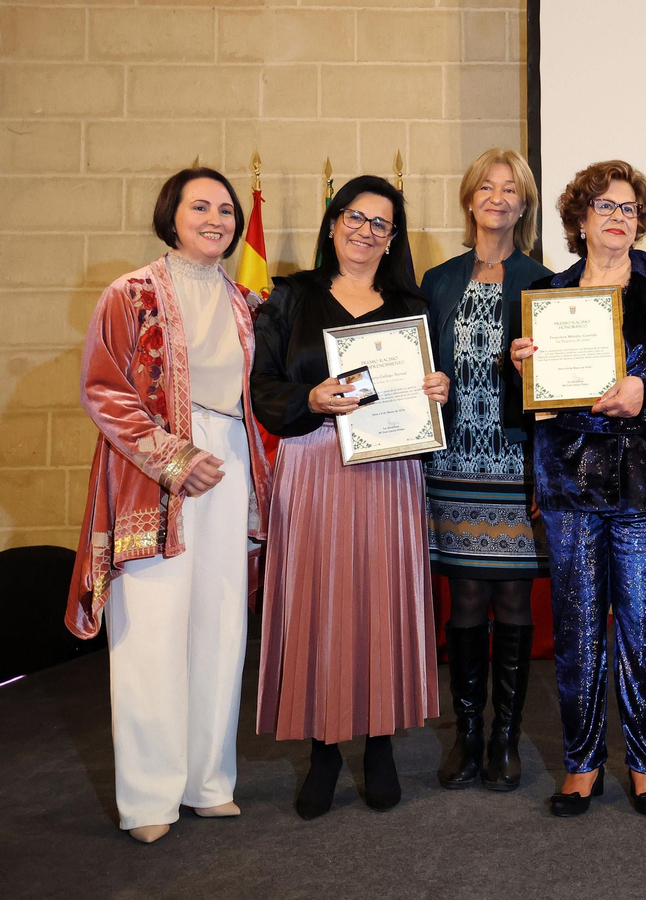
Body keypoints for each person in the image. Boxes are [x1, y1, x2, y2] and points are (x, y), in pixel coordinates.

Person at [66, 167, 271, 843]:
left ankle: (207, 782)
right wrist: (175, 458)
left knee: (220, 627)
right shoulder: (130, 293)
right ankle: (150, 800)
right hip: (154, 472)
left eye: (226, 209)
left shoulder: (246, 302)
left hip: (232, 457)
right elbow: (104, 389)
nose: (216, 218)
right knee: (151, 633)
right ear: (172, 214)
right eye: (201, 206)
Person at [510, 160, 646, 818]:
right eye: (604, 206)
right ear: (580, 220)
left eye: (628, 207)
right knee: (578, 632)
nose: (617, 216)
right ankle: (582, 762)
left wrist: (643, 389)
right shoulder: (548, 294)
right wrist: (521, 367)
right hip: (569, 480)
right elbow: (531, 399)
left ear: (640, 220)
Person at [251, 175, 449, 820]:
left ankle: (380, 742)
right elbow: (264, 388)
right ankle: (324, 748)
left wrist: (436, 390)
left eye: (381, 224)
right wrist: (308, 399)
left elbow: (430, 386)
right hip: (312, 467)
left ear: (393, 239)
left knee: (380, 599)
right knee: (318, 601)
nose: (366, 231)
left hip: (389, 470)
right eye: (355, 218)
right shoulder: (291, 296)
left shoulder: (412, 305)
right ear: (333, 223)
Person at [421, 148, 553, 792]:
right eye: (488, 187)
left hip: (515, 459)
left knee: (512, 595)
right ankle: (467, 735)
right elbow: (418, 356)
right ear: (470, 198)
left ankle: (506, 737)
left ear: (523, 205)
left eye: (512, 190)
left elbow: (558, 385)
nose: (499, 198)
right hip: (451, 460)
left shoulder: (544, 278)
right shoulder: (439, 279)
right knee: (466, 595)